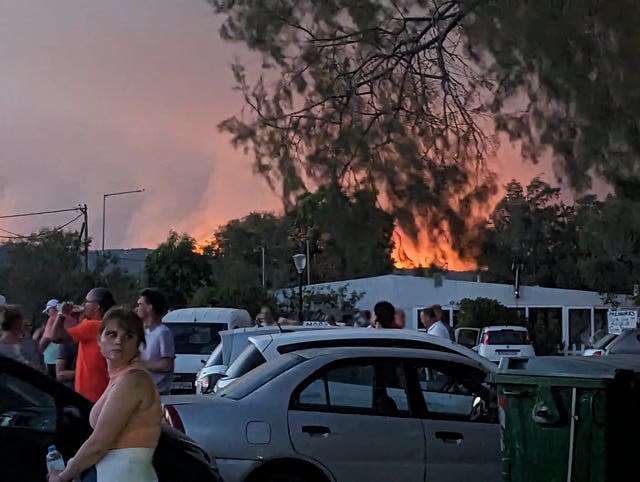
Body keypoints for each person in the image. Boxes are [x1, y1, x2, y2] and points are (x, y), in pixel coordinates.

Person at [48, 307, 163, 482]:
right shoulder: (120, 376)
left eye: (129, 336)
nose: (119, 341)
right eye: (112, 334)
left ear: (138, 344)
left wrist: (64, 476)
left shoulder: (132, 380)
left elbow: (99, 443)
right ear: (99, 340)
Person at [50, 288, 115, 402]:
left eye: (87, 301)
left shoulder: (92, 326)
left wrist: (62, 314)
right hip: (103, 392)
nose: (83, 304)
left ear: (97, 306)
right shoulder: (108, 324)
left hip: (90, 395)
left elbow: (55, 336)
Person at [136, 288, 175, 395]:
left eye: (140, 304)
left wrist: (141, 364)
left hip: (158, 394)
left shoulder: (163, 333)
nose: (137, 308)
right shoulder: (142, 332)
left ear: (149, 308)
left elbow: (167, 366)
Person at [0, 305, 45, 371]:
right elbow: (39, 366)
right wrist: (27, 334)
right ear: (18, 322)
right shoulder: (29, 344)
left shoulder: (2, 347)